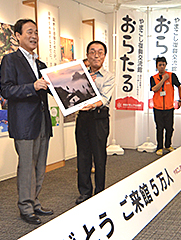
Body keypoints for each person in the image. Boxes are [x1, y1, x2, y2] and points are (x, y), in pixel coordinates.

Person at [0, 19, 53, 225]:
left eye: (36, 32)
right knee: (27, 166)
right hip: (23, 122)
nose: (34, 36)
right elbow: (6, 90)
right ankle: (25, 207)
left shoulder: (41, 65)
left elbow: (51, 89)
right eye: (29, 32)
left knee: (40, 165)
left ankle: (35, 201)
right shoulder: (10, 60)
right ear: (17, 36)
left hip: (42, 121)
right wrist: (33, 86)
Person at [75, 41, 115, 205]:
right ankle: (84, 192)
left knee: (99, 156)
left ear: (104, 56)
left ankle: (99, 191)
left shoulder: (109, 76)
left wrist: (92, 103)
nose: (96, 55)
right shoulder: (79, 75)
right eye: (92, 51)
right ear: (87, 55)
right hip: (83, 118)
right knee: (83, 156)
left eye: (100, 52)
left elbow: (105, 98)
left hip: (99, 118)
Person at [150, 56, 181, 156]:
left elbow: (179, 86)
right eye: (160, 65)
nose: (162, 67)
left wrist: (180, 99)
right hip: (158, 108)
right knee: (159, 128)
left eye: (164, 65)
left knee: (170, 128)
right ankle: (159, 147)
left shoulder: (172, 76)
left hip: (169, 108)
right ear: (157, 66)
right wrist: (163, 80)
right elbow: (154, 89)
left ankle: (168, 145)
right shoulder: (153, 78)